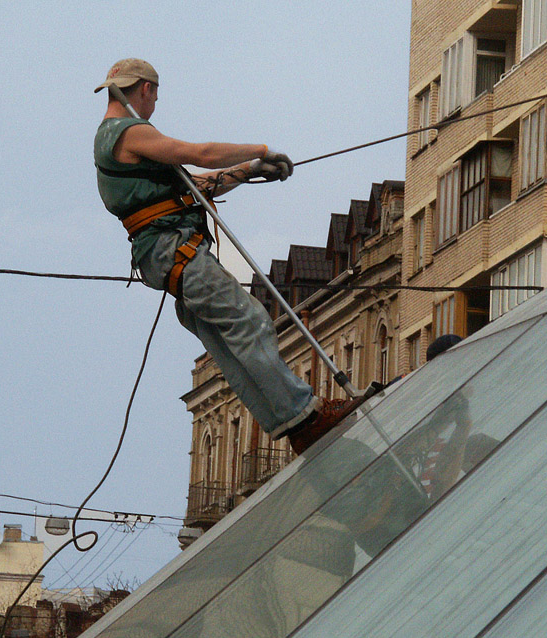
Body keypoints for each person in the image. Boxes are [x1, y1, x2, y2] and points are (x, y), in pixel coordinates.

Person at [93, 59, 362, 455]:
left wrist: (248, 170)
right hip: (175, 251)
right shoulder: (128, 132)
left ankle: (292, 424)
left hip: (167, 259)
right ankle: (306, 414)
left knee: (229, 344)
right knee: (250, 320)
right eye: (153, 95)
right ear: (146, 90)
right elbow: (199, 153)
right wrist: (260, 149)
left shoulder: (118, 142)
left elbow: (196, 186)